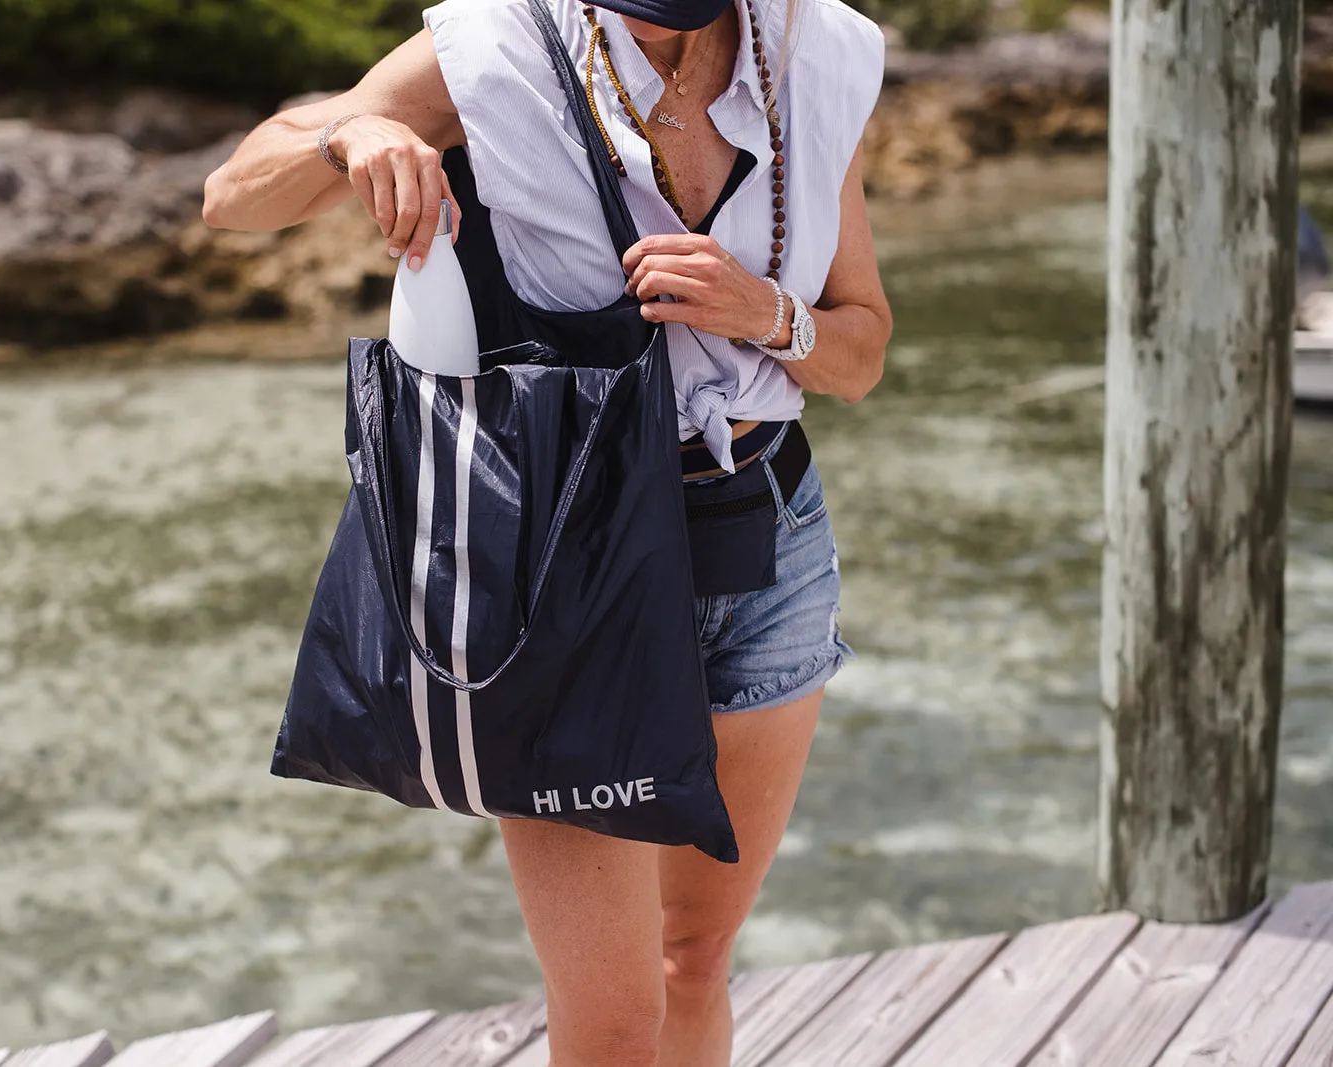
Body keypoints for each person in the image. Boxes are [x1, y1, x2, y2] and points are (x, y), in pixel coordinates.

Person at [204, 0, 891, 1063]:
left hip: (766, 539)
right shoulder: (496, 42)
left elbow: (860, 352)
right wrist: (353, 132)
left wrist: (764, 314)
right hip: (567, 559)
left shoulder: (816, 53)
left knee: (697, 955)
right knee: (615, 1021)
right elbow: (232, 197)